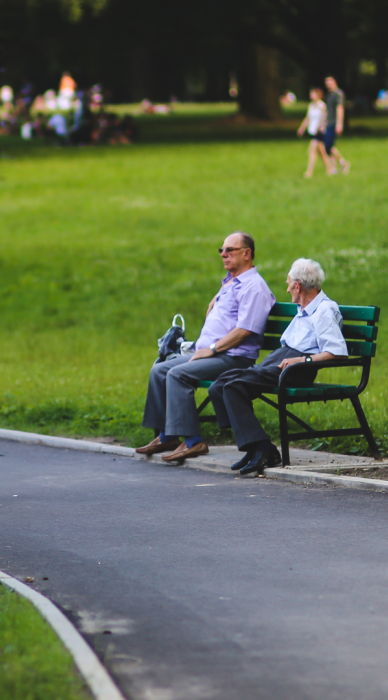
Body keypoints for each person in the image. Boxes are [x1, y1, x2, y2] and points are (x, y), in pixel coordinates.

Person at [136, 232, 276, 463]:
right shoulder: (232, 282)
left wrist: (212, 349)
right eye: (221, 250)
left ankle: (193, 442)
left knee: (177, 374)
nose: (223, 254)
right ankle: (167, 435)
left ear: (246, 253)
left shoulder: (254, 287)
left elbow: (246, 330)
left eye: (229, 250)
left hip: (233, 357)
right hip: (213, 353)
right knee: (159, 369)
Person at [208, 258, 347, 475]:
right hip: (282, 360)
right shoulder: (305, 308)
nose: (287, 287)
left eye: (288, 283)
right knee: (220, 384)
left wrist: (303, 360)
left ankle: (262, 448)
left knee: (234, 386)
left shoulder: (324, 310)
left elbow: (337, 352)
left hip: (297, 368)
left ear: (298, 286)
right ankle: (254, 446)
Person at [297, 88, 333, 177]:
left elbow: (324, 118)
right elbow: (308, 118)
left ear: (318, 95)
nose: (311, 96)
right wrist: (302, 128)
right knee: (322, 153)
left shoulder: (322, 105)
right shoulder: (311, 106)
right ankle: (329, 170)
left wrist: (320, 127)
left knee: (311, 151)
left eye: (313, 94)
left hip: (319, 132)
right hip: (312, 131)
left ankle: (309, 172)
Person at [323, 76, 350, 175]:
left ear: (335, 82)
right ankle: (334, 168)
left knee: (327, 146)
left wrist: (339, 124)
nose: (328, 85)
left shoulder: (338, 94)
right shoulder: (329, 94)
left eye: (330, 82)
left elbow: (340, 109)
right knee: (329, 146)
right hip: (329, 122)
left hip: (334, 123)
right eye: (326, 83)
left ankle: (343, 162)